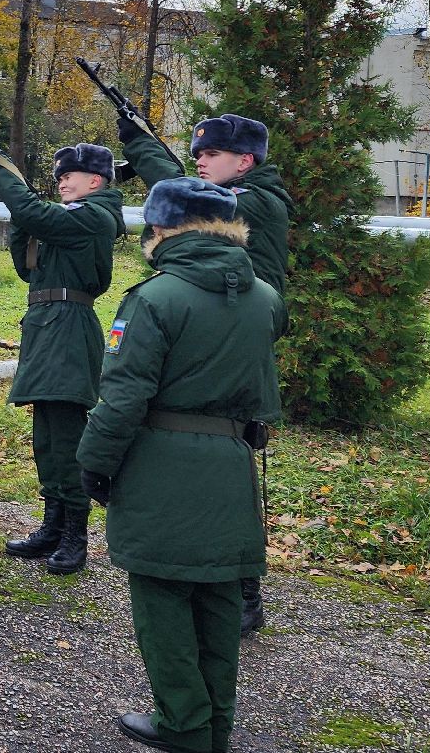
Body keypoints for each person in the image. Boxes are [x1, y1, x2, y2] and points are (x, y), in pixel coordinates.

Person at [78, 177, 285, 753]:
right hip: (233, 465)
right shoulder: (265, 298)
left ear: (162, 227)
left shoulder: (153, 299)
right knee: (219, 599)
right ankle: (215, 725)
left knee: (163, 600)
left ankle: (184, 726)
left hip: (161, 466)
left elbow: (123, 397)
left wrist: (94, 463)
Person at [120, 110, 289, 635]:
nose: (200, 161)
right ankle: (215, 580)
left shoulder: (257, 199)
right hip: (219, 326)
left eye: (212, 153)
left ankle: (244, 592)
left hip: (236, 333)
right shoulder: (239, 195)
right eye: (198, 153)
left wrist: (138, 143)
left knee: (230, 468)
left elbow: (179, 194)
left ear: (245, 161)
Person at [0, 143, 126, 576]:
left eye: (70, 175)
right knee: (46, 436)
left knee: (66, 436)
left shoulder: (94, 216)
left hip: (68, 325)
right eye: (60, 176)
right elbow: (27, 268)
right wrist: (21, 218)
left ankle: (74, 535)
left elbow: (38, 215)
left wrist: (3, 174)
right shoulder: (67, 220)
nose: (62, 182)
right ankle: (53, 524)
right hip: (46, 323)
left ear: (96, 181)